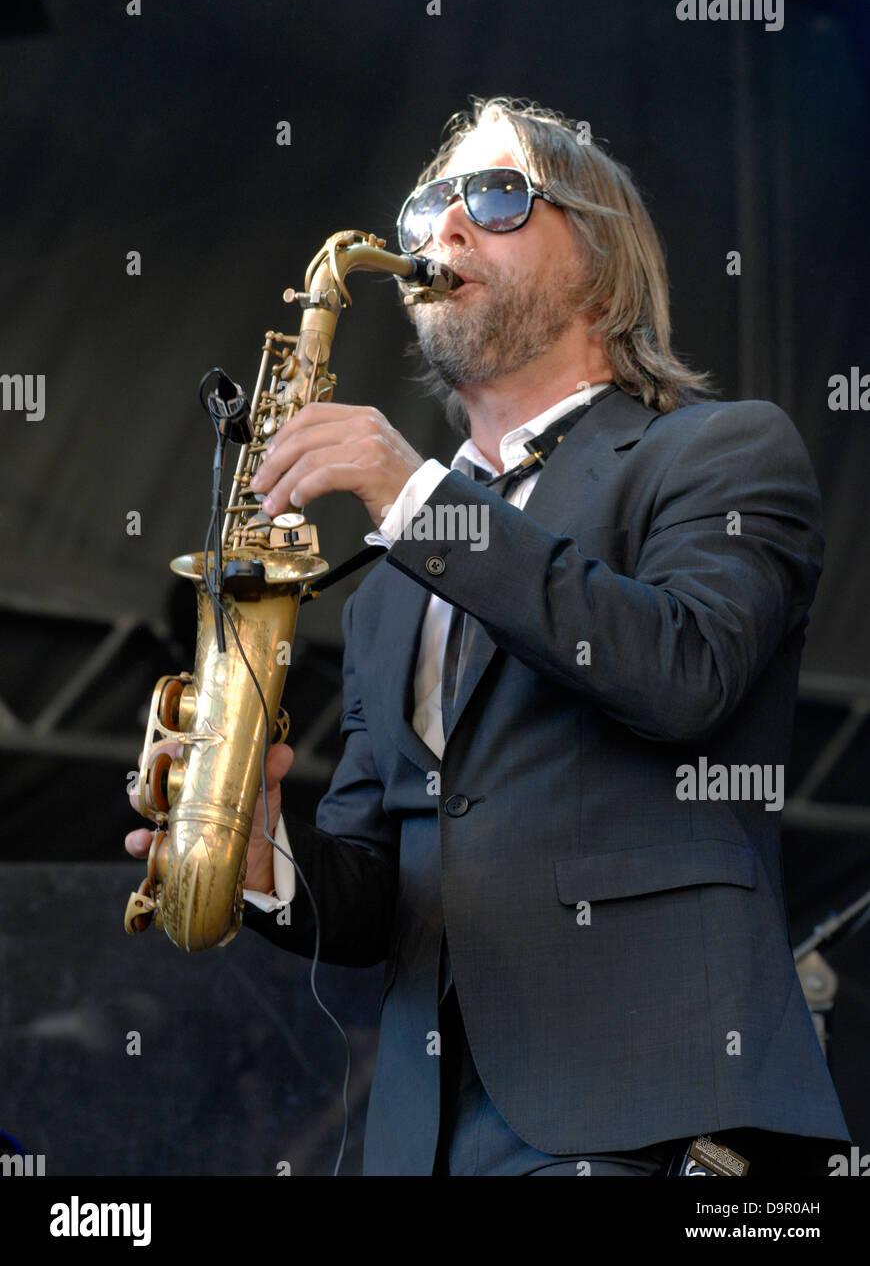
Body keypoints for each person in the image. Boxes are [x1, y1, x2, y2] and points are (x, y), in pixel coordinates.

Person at [127, 97, 850, 1177]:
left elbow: (681, 672)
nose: (442, 230)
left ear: (603, 269)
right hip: (425, 1142)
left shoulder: (722, 452)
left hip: (654, 1125)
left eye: (497, 197)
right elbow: (379, 892)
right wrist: (263, 846)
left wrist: (415, 499)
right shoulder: (384, 587)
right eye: (427, 207)